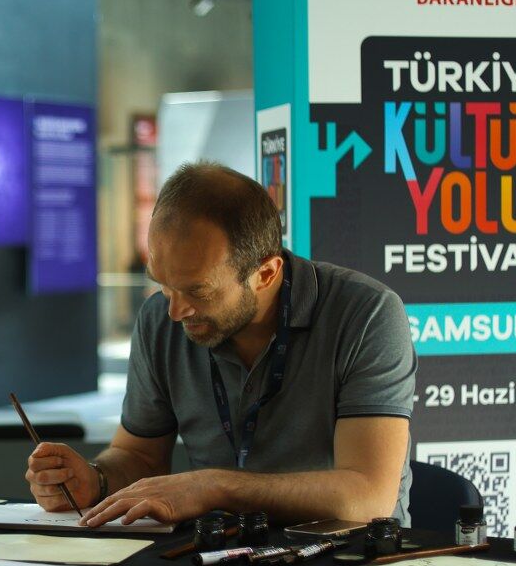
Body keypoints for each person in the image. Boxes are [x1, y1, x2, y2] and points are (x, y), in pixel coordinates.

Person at [26, 161, 415, 528]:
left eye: (198, 291)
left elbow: (369, 496)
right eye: (162, 283)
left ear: (266, 274)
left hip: (346, 556)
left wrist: (215, 487)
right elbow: (139, 456)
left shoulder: (366, 314)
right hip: (217, 552)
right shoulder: (159, 319)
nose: (175, 311)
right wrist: (94, 480)